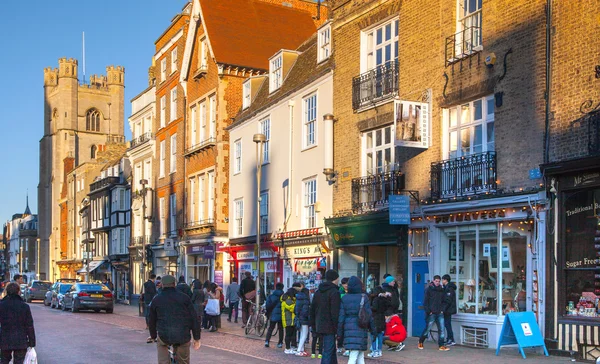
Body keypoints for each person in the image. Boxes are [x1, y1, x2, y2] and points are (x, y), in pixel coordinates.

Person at [148, 275, 201, 364]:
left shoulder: (157, 299)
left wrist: (153, 336)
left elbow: (152, 320)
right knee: (183, 361)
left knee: (163, 357)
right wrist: (197, 338)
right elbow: (193, 318)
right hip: (182, 335)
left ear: (162, 285)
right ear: (174, 284)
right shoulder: (185, 298)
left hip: (164, 335)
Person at [338, 276, 374, 364]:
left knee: (357, 354)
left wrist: (339, 332)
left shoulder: (344, 298)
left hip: (348, 328)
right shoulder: (364, 297)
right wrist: (373, 329)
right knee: (355, 355)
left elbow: (341, 317)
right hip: (361, 327)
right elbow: (369, 315)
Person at [310, 269, 341, 364]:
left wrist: (313, 325)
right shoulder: (334, 292)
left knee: (330, 350)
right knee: (328, 350)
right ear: (335, 279)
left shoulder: (318, 292)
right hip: (330, 326)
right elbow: (335, 312)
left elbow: (312, 310)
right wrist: (337, 328)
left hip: (319, 324)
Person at [0, 282, 36, 364]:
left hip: (5, 339)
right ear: (18, 291)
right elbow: (29, 325)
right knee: (19, 361)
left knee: (4, 360)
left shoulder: (1, 305)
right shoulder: (24, 306)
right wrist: (32, 341)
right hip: (20, 339)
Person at [418, 275, 449, 351]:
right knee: (428, 328)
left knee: (441, 329)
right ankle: (421, 341)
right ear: (433, 281)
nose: (437, 283)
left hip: (440, 312)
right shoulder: (429, 289)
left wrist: (442, 310)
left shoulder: (442, 289)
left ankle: (441, 345)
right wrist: (429, 311)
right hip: (432, 312)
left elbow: (445, 301)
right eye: (436, 281)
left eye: (439, 281)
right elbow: (425, 301)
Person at [368, 286, 391, 358]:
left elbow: (374, 308)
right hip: (382, 318)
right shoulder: (384, 299)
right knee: (380, 335)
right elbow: (388, 306)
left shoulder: (375, 299)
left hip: (375, 318)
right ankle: (379, 350)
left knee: (373, 335)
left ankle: (374, 351)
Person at [264, 282, 284, 348]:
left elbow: (268, 305)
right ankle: (280, 343)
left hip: (273, 314)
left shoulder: (271, 296)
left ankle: (267, 341)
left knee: (270, 328)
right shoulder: (284, 296)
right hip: (281, 314)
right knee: (281, 329)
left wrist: (268, 312)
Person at [281, 286, 298, 354]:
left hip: (289, 319)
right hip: (289, 320)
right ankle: (288, 348)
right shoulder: (288, 301)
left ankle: (291, 347)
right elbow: (293, 308)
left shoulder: (286, 299)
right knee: (289, 334)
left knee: (291, 334)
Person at [294, 286, 310, 356]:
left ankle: (301, 350)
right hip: (304, 319)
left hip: (299, 318)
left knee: (302, 334)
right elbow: (306, 310)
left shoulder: (298, 299)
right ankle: (299, 350)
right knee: (304, 334)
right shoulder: (306, 299)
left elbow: (295, 309)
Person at [442, 274, 457, 346]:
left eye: (443, 279)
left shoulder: (449, 288)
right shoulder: (446, 287)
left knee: (447, 324)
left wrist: (443, 309)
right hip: (447, 309)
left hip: (448, 309)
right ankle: (449, 338)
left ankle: (451, 339)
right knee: (447, 324)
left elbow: (448, 300)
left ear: (445, 280)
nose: (442, 281)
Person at [144, 273, 159, 342]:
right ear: (154, 278)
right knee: (150, 313)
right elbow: (153, 293)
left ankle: (147, 324)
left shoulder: (146, 283)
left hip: (146, 300)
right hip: (151, 300)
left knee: (147, 313)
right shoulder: (152, 284)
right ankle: (150, 324)